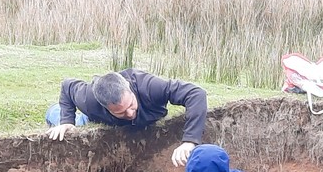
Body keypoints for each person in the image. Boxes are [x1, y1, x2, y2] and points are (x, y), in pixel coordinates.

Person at [44, 70, 207, 166]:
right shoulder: (88, 100)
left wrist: (189, 141)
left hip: (145, 121)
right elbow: (67, 86)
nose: (129, 114)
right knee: (75, 121)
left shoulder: (150, 88)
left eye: (131, 105)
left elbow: (196, 94)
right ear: (106, 107)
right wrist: (66, 121)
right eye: (121, 112)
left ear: (130, 89)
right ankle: (53, 112)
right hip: (96, 120)